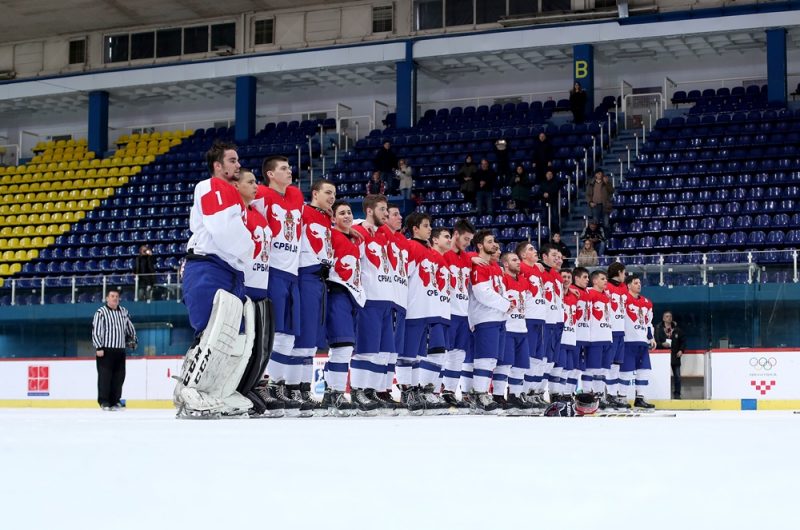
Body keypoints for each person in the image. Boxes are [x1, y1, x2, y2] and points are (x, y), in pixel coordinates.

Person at [178, 140, 256, 417]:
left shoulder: (232, 195)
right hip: (209, 266)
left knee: (231, 335)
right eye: (232, 160)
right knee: (212, 331)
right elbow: (225, 231)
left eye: (237, 160)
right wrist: (251, 248)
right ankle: (191, 389)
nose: (238, 164)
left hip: (230, 269)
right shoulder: (211, 186)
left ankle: (217, 390)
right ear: (218, 166)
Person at [252, 155, 307, 414]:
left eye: (289, 168)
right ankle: (262, 384)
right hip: (273, 271)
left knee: (288, 335)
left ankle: (278, 386)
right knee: (273, 333)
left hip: (292, 274)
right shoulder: (261, 194)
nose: (290, 172)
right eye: (284, 169)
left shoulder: (296, 195)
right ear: (270, 174)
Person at [232, 169, 284, 418]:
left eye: (256, 182)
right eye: (250, 182)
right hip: (245, 287)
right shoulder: (236, 214)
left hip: (262, 287)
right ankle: (238, 387)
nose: (256, 186)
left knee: (262, 345)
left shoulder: (259, 215)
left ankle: (252, 386)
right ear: (236, 186)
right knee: (245, 344)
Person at [290, 178, 337, 416]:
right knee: (303, 338)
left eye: (334, 194)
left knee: (311, 340)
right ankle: (293, 388)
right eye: (327, 192)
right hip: (305, 277)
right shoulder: (302, 211)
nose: (332, 197)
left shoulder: (327, 218)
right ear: (315, 193)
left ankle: (301, 388)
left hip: (321, 281)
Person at [321, 200, 366, 416]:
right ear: (332, 217)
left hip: (351, 296)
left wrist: (353, 228)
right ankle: (336, 392)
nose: (347, 216)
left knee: (344, 347)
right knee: (342, 346)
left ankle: (332, 394)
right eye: (342, 213)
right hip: (337, 292)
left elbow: (362, 222)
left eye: (349, 212)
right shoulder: (330, 234)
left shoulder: (353, 238)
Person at [351, 194, 395, 414]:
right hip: (369, 299)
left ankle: (374, 391)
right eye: (382, 210)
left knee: (384, 351)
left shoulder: (382, 234)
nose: (386, 214)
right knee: (366, 350)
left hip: (386, 298)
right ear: (369, 211)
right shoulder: (359, 231)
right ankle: (358, 391)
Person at [467, 230, 511, 413]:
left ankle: (482, 394)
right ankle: (479, 395)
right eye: (490, 242)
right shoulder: (479, 266)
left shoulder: (495, 267)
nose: (494, 245)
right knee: (485, 359)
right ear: (479, 245)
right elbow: (482, 293)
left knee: (491, 360)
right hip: (485, 317)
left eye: (495, 241)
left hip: (498, 317)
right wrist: (505, 305)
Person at [442, 219, 477, 410]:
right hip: (446, 310)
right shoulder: (443, 254)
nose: (467, 243)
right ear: (455, 234)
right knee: (442, 353)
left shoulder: (467, 257)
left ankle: (449, 391)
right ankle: (434, 390)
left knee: (458, 354)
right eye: (465, 238)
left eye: (470, 240)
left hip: (463, 312)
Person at [498, 252, 533, 414]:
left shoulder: (524, 281)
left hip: (522, 328)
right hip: (508, 327)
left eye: (518, 260)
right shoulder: (502, 279)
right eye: (514, 260)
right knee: (504, 365)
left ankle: (514, 395)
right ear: (505, 264)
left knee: (520, 366)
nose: (518, 262)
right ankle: (498, 395)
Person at [92, 289, 137, 411]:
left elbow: (130, 327)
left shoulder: (124, 312)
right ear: (107, 298)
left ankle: (115, 401)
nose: (115, 298)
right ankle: (104, 401)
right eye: (112, 296)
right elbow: (97, 330)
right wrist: (99, 346)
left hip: (120, 350)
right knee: (105, 377)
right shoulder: (101, 312)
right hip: (105, 350)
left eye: (117, 296)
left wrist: (133, 339)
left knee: (119, 377)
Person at [515, 241, 547, 409]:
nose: (535, 251)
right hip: (528, 317)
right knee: (527, 358)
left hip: (540, 319)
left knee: (537, 358)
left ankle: (531, 392)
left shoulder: (537, 269)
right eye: (530, 249)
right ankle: (522, 392)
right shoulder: (520, 267)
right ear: (522, 255)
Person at [620, 274, 656, 409]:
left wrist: (651, 338)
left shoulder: (647, 302)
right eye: (635, 283)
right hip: (628, 341)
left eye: (640, 283)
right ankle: (622, 398)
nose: (639, 285)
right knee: (626, 371)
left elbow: (649, 322)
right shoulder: (624, 299)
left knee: (644, 370)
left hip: (642, 341)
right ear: (628, 285)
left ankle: (640, 398)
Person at [604, 262, 631, 409]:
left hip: (621, 331)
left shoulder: (623, 288)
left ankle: (613, 395)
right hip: (610, 331)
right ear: (619, 272)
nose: (625, 276)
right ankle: (605, 395)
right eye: (624, 273)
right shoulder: (606, 286)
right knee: (607, 365)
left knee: (616, 365)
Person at [654, 311, 686, 399]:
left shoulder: (677, 329)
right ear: (663, 318)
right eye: (667, 316)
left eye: (670, 316)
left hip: (675, 356)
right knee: (662, 376)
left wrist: (681, 350)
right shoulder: (658, 329)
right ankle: (662, 394)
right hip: (662, 356)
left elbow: (683, 341)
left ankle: (677, 394)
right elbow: (655, 343)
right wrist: (662, 344)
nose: (669, 318)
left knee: (677, 376)